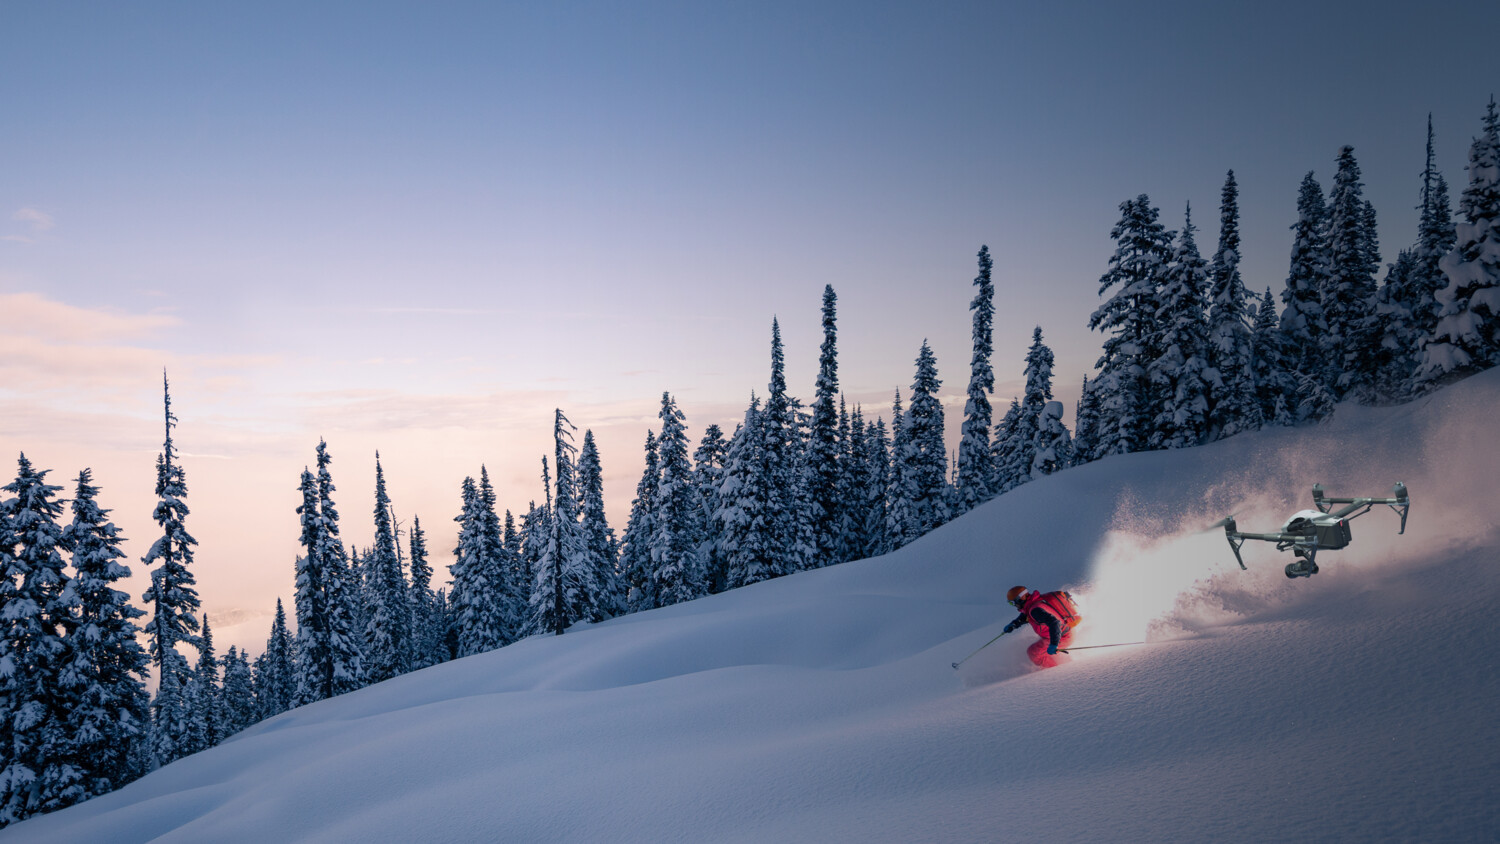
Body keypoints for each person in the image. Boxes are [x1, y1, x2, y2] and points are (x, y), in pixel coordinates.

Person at [1002, 585, 1082, 667]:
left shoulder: (1035, 610)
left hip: (1064, 636)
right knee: (1036, 649)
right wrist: (1014, 624)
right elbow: (1026, 615)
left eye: (1013, 603)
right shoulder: (1034, 603)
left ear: (1020, 599)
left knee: (1034, 653)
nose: (1014, 605)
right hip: (1065, 632)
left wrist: (1054, 644)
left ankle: (1054, 673)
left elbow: (1054, 622)